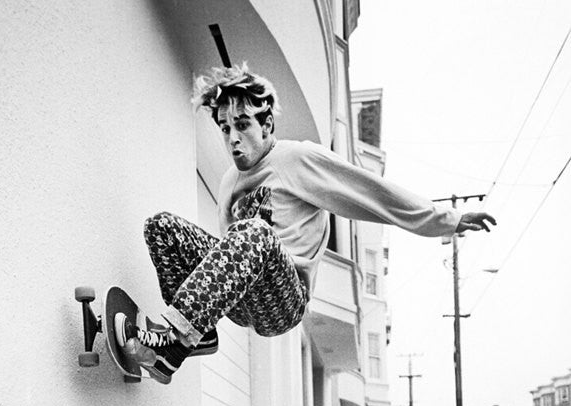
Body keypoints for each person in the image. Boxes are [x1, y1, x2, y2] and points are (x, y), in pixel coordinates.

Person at [115, 64, 496, 384]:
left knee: (253, 232)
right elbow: (222, 256)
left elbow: (371, 193)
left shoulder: (296, 159)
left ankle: (173, 340)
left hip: (285, 298)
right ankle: (196, 337)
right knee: (162, 228)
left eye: (243, 125)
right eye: (224, 127)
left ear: (266, 125)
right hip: (242, 297)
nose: (233, 139)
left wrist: (448, 219)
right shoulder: (229, 181)